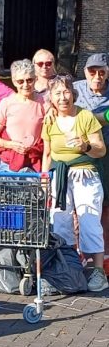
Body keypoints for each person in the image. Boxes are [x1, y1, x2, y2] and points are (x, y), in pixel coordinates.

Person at [41, 75, 107, 292]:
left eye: (67, 91)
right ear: (51, 97)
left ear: (73, 93)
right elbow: (48, 153)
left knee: (89, 221)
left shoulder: (86, 116)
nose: (63, 97)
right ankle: (69, 267)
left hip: (84, 174)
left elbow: (101, 149)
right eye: (58, 93)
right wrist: (44, 179)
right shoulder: (49, 119)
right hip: (59, 178)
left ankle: (98, 271)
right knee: (59, 223)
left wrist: (85, 145)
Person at [73, 53, 109, 260]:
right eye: (92, 71)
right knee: (80, 208)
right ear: (85, 71)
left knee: (105, 207)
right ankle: (78, 254)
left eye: (102, 71)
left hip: (106, 156)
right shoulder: (75, 89)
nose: (97, 76)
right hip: (80, 156)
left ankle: (104, 257)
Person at [0, 59, 45, 172]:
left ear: (35, 79)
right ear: (14, 81)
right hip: (9, 162)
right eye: (21, 81)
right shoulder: (6, 103)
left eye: (29, 80)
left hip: (34, 162)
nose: (26, 85)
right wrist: (11, 145)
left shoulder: (44, 103)